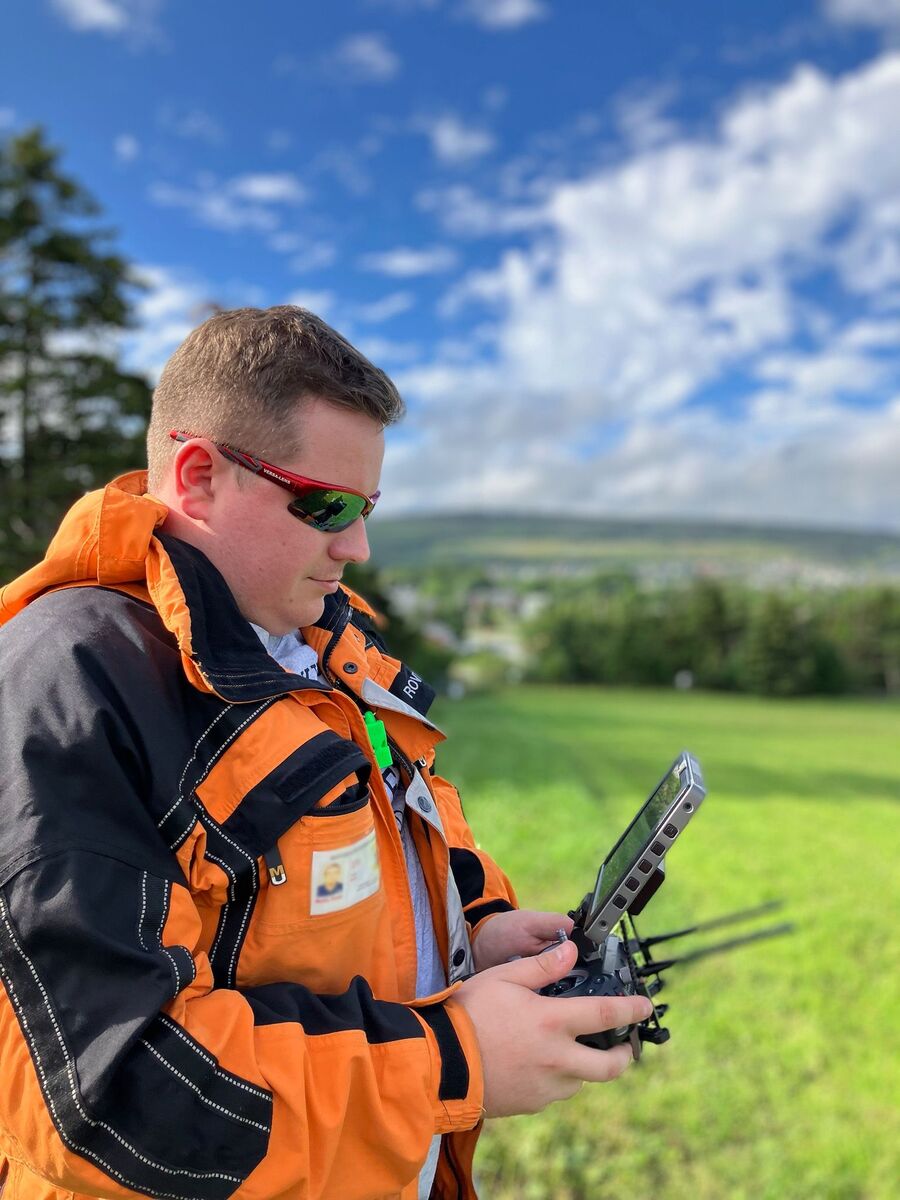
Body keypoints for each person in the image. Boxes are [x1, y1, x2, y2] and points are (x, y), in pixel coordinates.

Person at [0, 307, 651, 1200]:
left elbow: (394, 832)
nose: (358, 545)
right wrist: (452, 1064)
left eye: (370, 507)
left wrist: (474, 930)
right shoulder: (72, 683)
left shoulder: (328, 644)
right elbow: (109, 1096)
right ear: (197, 477)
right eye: (328, 506)